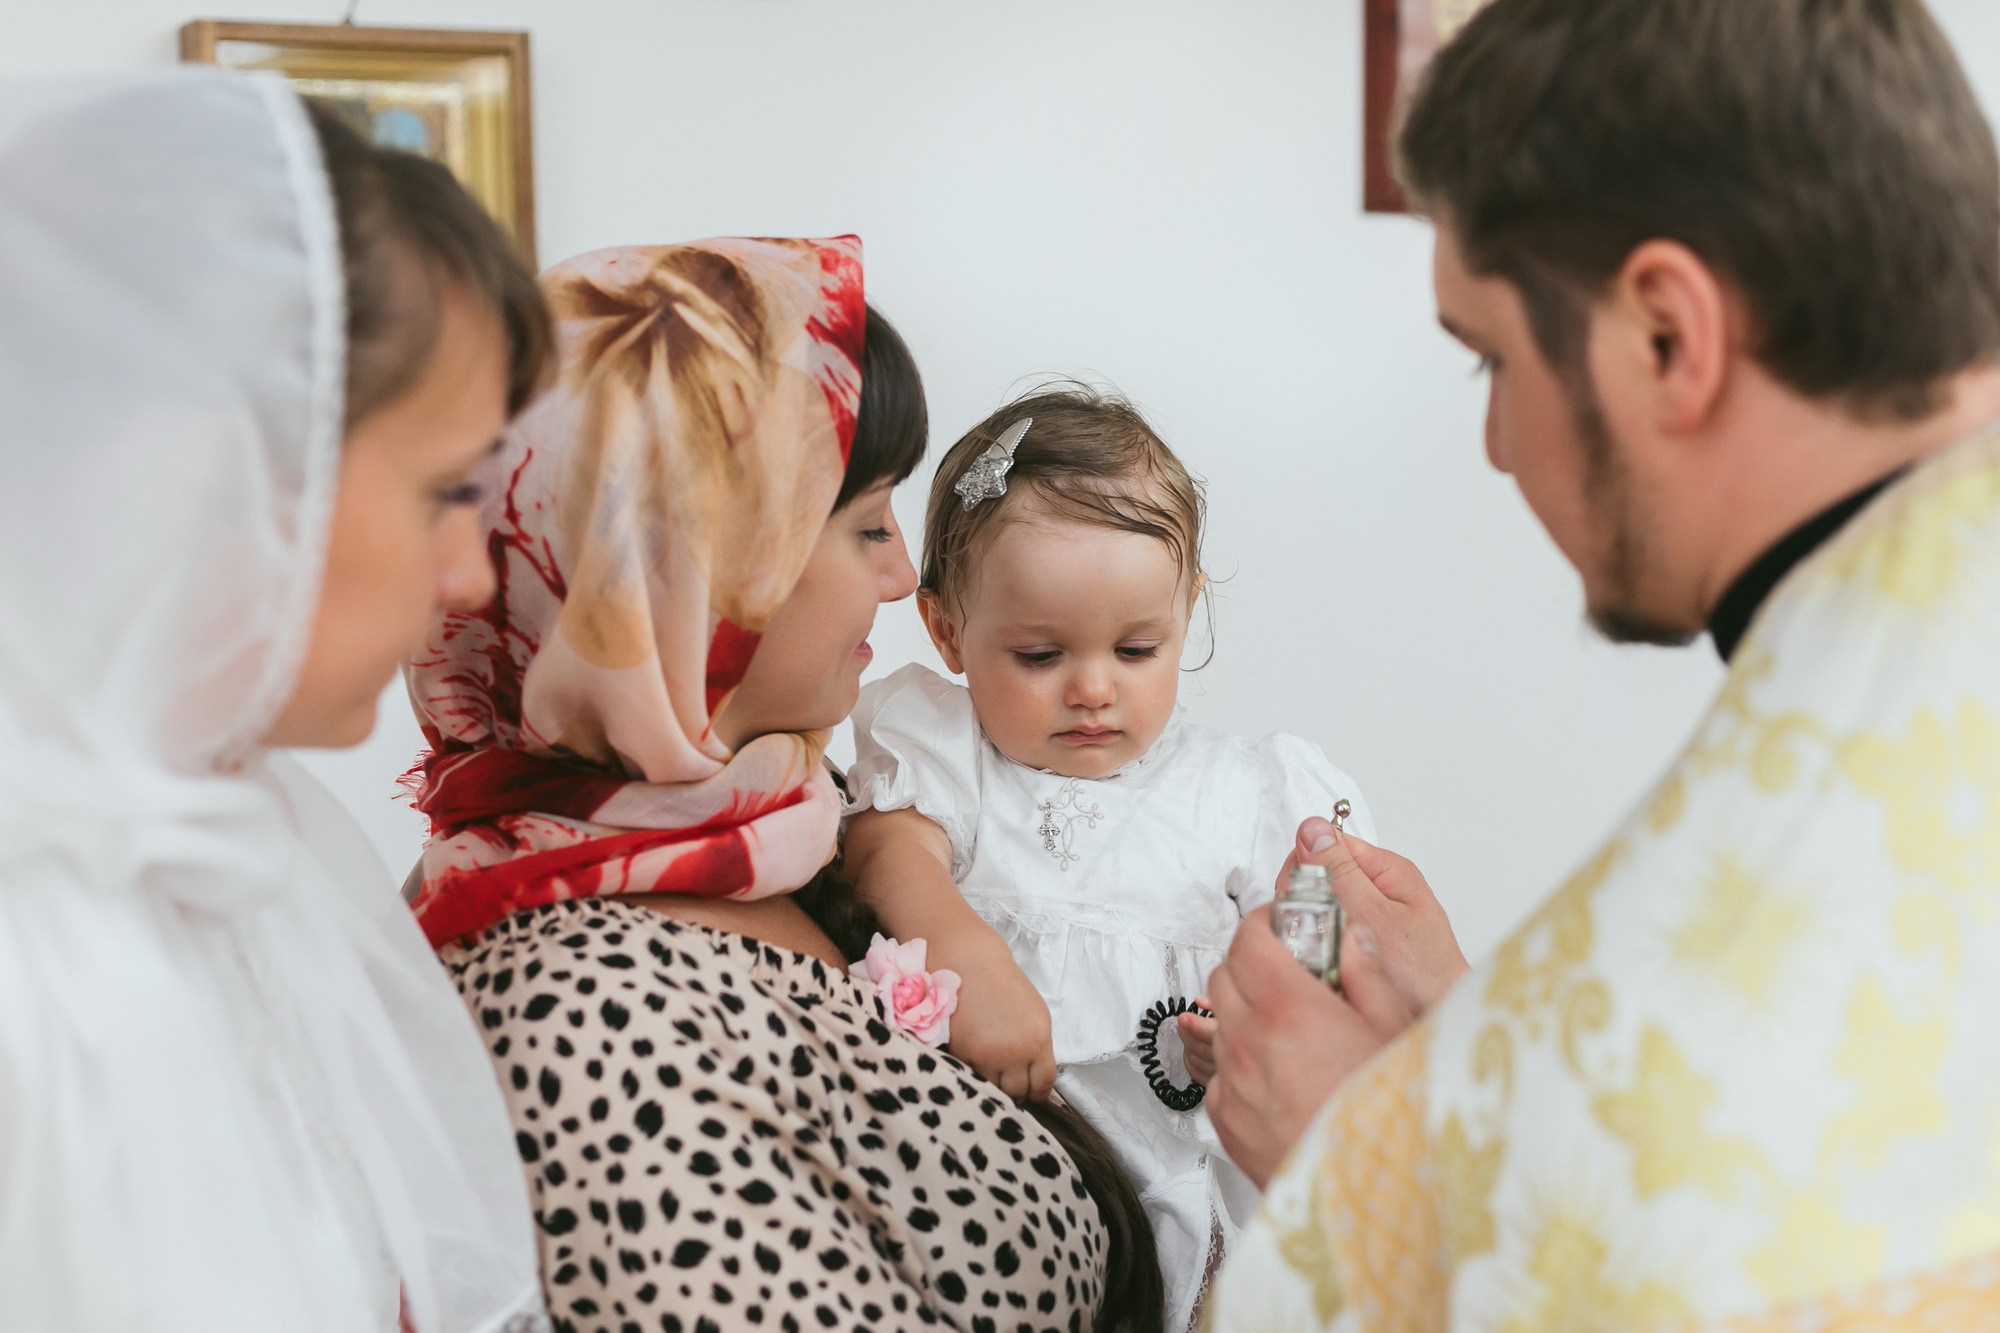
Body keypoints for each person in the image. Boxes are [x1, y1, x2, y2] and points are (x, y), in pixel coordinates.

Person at [1203, 0, 2000, 1326]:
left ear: (1665, 341)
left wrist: (1370, 1161)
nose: (1499, 446)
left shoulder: (1673, 1041)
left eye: (1490, 363)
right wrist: (1463, 1060)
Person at [402, 240, 1161, 1332]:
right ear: (688, 573)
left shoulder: (791, 825)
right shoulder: (590, 1019)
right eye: (865, 525)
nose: (903, 573)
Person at [0, 70, 553, 1330]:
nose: (471, 574)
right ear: (212, 467)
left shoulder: (272, 837)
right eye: (442, 493)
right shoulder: (31, 945)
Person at [840, 387, 1373, 1331]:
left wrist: (1263, 1016)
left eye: (1137, 648)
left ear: (1187, 610)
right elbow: (885, 853)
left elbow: (1323, 934)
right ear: (949, 630)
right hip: (991, 1177)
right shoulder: (950, 753)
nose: (1092, 688)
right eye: (1040, 655)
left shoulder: (1242, 788)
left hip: (1185, 1175)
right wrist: (966, 949)